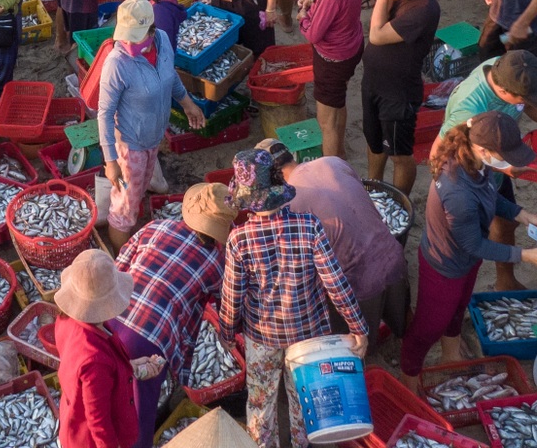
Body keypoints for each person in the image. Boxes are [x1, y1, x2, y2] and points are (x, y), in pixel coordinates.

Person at [219, 148, 368, 448]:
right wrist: (357, 327)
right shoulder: (309, 225)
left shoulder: (239, 239)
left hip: (262, 336)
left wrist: (226, 331)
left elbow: (232, 295)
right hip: (308, 335)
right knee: (303, 399)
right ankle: (302, 443)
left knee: (261, 402)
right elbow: (335, 283)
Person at [400, 113, 537, 374]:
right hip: (445, 267)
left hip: (466, 260)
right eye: (505, 154)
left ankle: (451, 358)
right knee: (427, 330)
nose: (508, 161)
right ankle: (409, 380)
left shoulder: (476, 162)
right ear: (484, 150)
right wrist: (527, 255)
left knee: (457, 309)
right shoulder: (457, 192)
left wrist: (523, 214)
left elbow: (490, 196)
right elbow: (474, 245)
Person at [439, 48, 537, 287]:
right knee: (472, 241)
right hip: (471, 177)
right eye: (523, 98)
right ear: (503, 92)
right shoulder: (469, 108)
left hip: (495, 163)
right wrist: (501, 167)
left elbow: (528, 103)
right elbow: (440, 155)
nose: (526, 102)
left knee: (506, 222)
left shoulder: (508, 69)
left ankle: (505, 280)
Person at [111, 185, 236, 448]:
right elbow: (226, 305)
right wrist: (227, 335)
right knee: (141, 410)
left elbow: (119, 265)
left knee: (107, 388)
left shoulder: (156, 227)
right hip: (149, 339)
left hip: (111, 320)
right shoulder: (215, 262)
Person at [265, 139, 408, 336]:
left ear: (273, 175)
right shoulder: (333, 161)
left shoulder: (289, 203)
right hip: (395, 257)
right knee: (402, 325)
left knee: (359, 344)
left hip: (360, 284)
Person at [97, 0, 207, 245]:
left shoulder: (164, 41)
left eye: (136, 37)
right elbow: (104, 114)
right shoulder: (116, 63)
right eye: (127, 37)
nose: (129, 43)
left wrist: (187, 103)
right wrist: (111, 161)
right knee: (123, 210)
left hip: (154, 136)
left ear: (152, 31)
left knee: (139, 189)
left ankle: (135, 214)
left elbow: (170, 75)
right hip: (130, 144)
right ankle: (122, 257)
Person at [363, 0, 439, 193]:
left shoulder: (424, 9)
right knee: (374, 143)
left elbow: (376, 34)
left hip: (398, 94)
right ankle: (373, 189)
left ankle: (399, 202)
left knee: (399, 154)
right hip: (373, 83)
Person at [290, 0, 365, 159]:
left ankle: (334, 166)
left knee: (326, 122)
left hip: (333, 57)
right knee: (337, 101)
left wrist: (303, 18)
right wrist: (312, 1)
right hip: (353, 43)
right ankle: (341, 154)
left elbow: (313, 34)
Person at [55, 249, 143, 448]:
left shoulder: (66, 320)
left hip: (72, 422)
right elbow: (98, 419)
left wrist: (130, 367)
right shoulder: (95, 361)